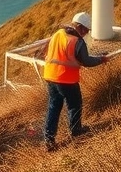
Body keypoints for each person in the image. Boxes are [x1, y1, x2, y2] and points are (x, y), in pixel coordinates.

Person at [42, 11, 109, 152]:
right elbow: (86, 61)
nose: (86, 33)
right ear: (80, 27)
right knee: (74, 105)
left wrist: (97, 57)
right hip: (66, 80)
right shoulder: (77, 41)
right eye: (86, 30)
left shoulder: (58, 33)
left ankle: (49, 139)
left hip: (50, 76)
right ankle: (76, 130)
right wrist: (101, 59)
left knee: (54, 107)